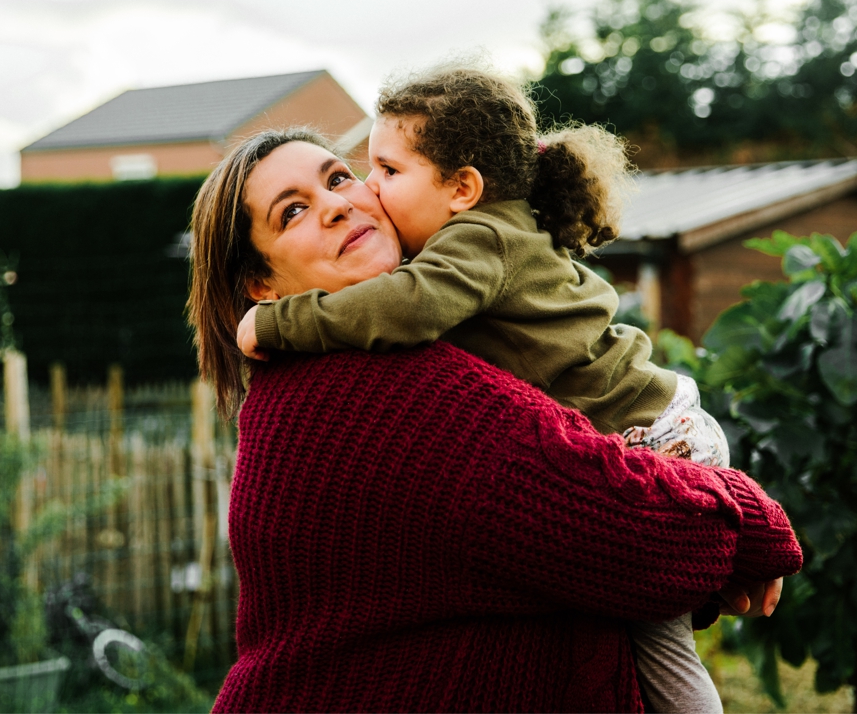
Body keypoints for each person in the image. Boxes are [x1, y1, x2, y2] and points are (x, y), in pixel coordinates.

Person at [187, 129, 801, 712]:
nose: (335, 206)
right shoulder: (384, 390)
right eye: (291, 211)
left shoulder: (308, 382)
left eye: (340, 178)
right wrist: (749, 516)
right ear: (261, 284)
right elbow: (637, 534)